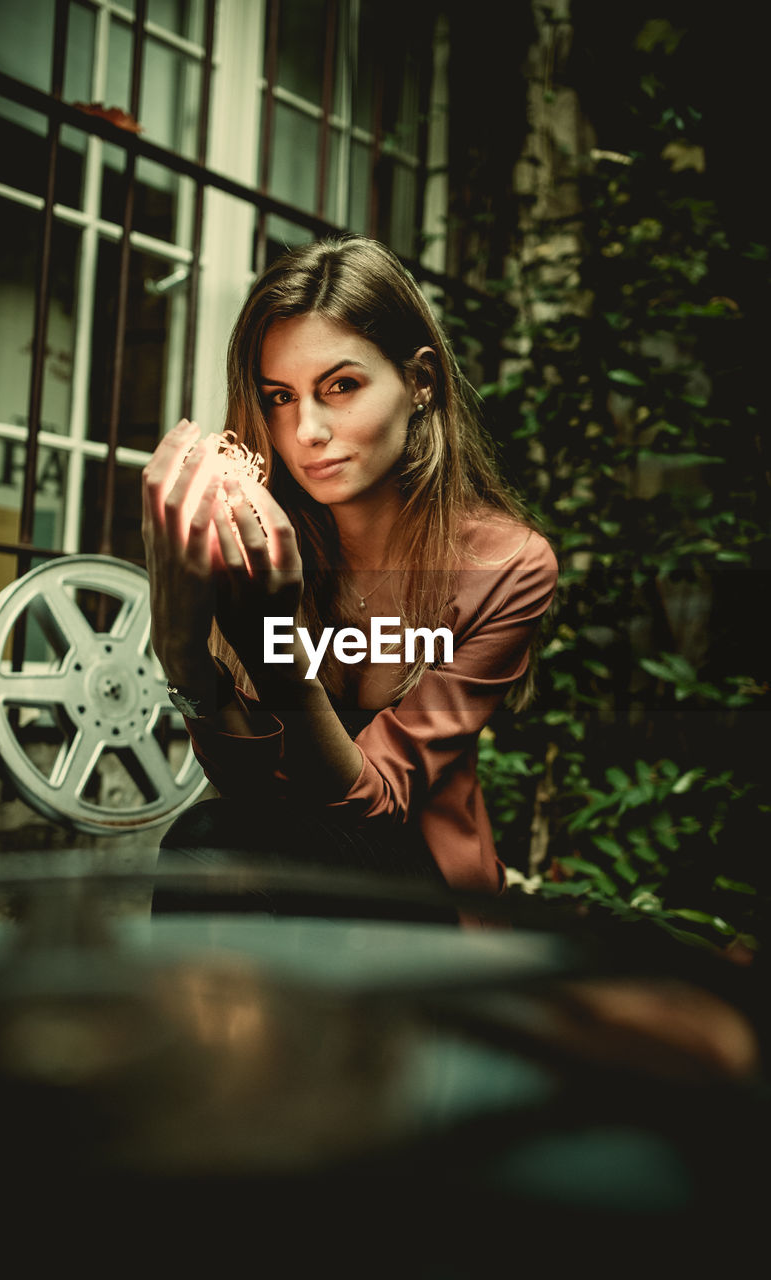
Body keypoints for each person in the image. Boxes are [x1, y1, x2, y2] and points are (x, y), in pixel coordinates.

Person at [142, 236, 557, 918]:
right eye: (279, 395)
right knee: (219, 840)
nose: (305, 429)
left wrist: (274, 646)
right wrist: (181, 651)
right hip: (276, 860)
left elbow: (377, 802)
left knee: (210, 842)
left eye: (341, 386)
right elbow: (245, 780)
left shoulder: (505, 566)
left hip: (415, 879)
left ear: (420, 381)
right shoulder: (258, 538)